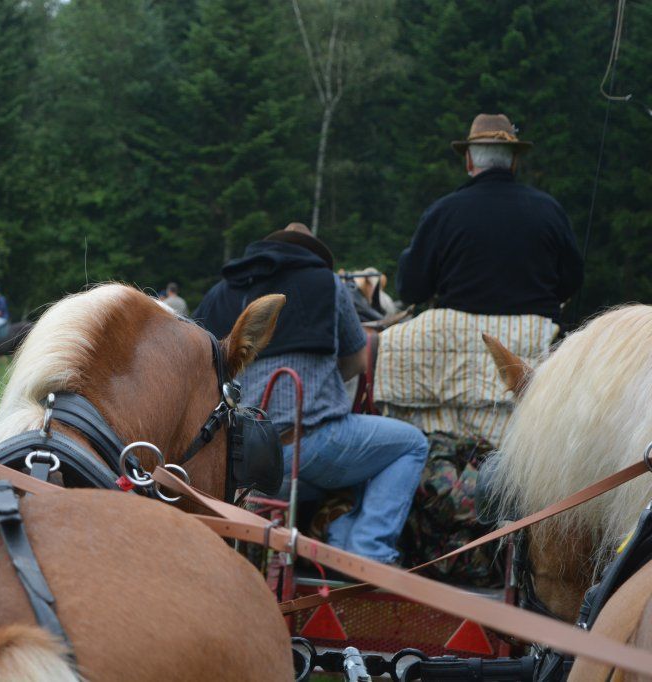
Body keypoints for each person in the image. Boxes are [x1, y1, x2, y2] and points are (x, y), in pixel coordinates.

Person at [193, 224, 428, 564]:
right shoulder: (327, 283)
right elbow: (357, 363)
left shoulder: (220, 293)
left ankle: (338, 538)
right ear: (312, 256)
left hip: (243, 460)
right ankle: (368, 549)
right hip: (310, 444)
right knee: (409, 445)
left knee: (357, 465)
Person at [397, 113, 583, 323]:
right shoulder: (550, 210)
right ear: (514, 161)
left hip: (456, 342)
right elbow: (572, 280)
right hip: (539, 340)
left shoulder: (442, 212)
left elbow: (411, 289)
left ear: (468, 160)